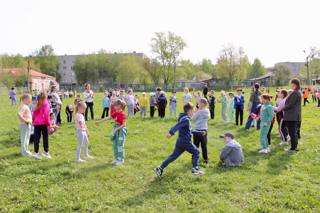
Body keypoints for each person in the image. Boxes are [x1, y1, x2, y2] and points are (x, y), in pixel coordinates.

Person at [153, 103, 204, 177]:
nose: (194, 112)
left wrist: (199, 132)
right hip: (185, 141)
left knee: (173, 156)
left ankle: (160, 169)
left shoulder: (183, 118)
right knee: (197, 152)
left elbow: (188, 130)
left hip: (180, 141)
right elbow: (177, 126)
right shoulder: (186, 119)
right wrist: (171, 132)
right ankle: (194, 170)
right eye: (193, 110)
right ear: (189, 111)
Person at [96, 100, 127, 165]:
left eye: (115, 105)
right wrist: (99, 121)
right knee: (115, 145)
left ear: (119, 106)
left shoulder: (122, 114)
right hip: (115, 129)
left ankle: (121, 159)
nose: (114, 106)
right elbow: (109, 117)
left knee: (120, 145)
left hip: (121, 130)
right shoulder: (116, 112)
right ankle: (116, 158)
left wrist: (116, 129)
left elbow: (124, 125)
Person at [283, 79, 302, 153]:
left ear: (295, 84)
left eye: (291, 84)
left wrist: (283, 108)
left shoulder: (296, 93)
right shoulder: (296, 92)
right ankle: (294, 147)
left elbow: (291, 104)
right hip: (293, 116)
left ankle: (293, 148)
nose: (291, 85)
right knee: (293, 132)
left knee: (292, 132)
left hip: (292, 116)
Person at [32, 92, 51, 159]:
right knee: (40, 138)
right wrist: (49, 125)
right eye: (40, 99)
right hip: (41, 124)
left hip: (39, 124)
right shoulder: (44, 105)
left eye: (42, 99)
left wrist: (33, 121)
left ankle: (39, 152)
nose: (41, 101)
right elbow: (46, 116)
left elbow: (34, 114)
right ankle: (43, 152)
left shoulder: (41, 105)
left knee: (38, 138)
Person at [192, 98, 210, 164]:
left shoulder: (198, 111)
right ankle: (205, 159)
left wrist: (197, 111)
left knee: (195, 146)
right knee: (204, 146)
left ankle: (195, 158)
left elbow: (193, 119)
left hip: (197, 130)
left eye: (199, 103)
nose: (197, 104)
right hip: (204, 130)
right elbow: (208, 117)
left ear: (202, 104)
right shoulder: (207, 111)